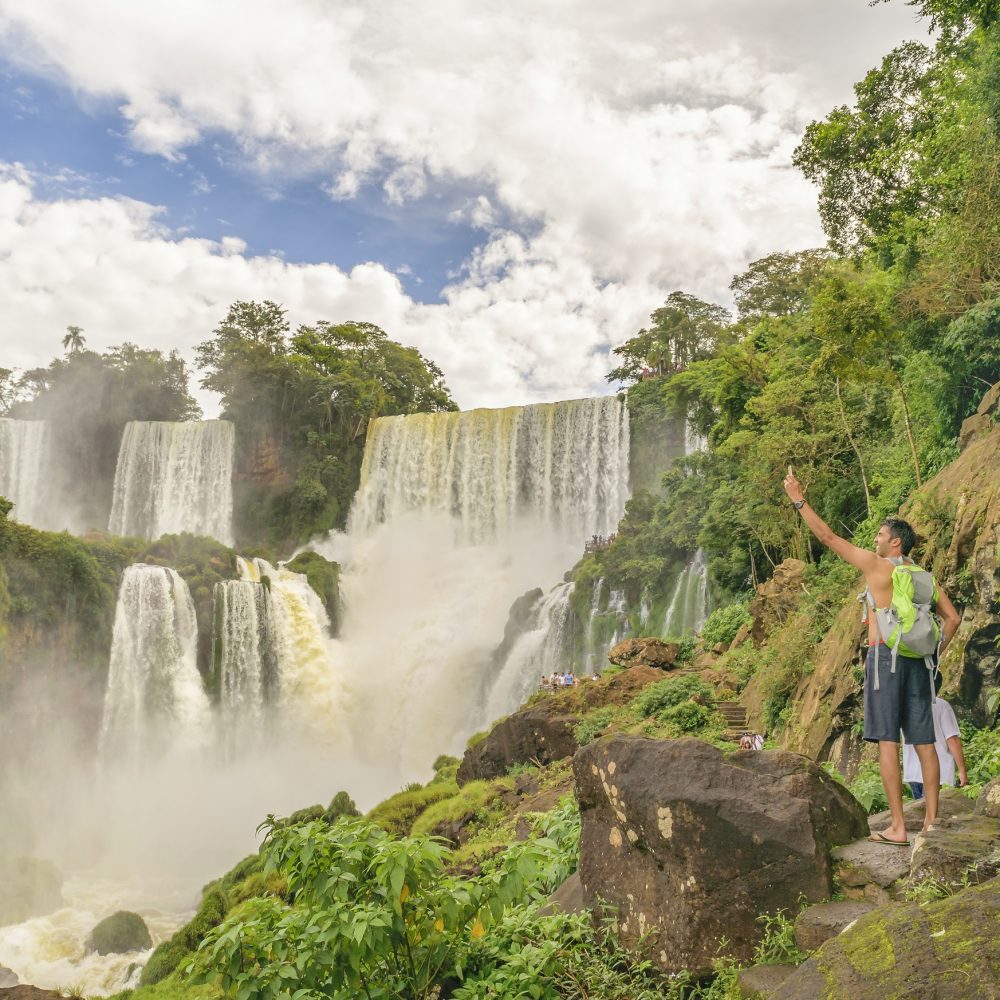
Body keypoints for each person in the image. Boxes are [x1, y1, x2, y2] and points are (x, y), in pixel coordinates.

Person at [783, 467, 961, 846]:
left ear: (895, 543)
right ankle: (931, 823)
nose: (876, 539)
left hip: (885, 660)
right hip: (920, 665)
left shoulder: (876, 567)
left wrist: (798, 499)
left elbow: (827, 536)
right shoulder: (924, 577)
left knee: (888, 743)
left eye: (881, 535)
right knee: (925, 743)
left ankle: (898, 827)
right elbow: (953, 618)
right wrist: (935, 653)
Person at [903, 684, 968, 799]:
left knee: (919, 813)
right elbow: (952, 740)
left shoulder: (905, 706)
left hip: (913, 772)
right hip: (939, 772)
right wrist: (962, 771)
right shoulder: (941, 705)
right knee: (935, 813)